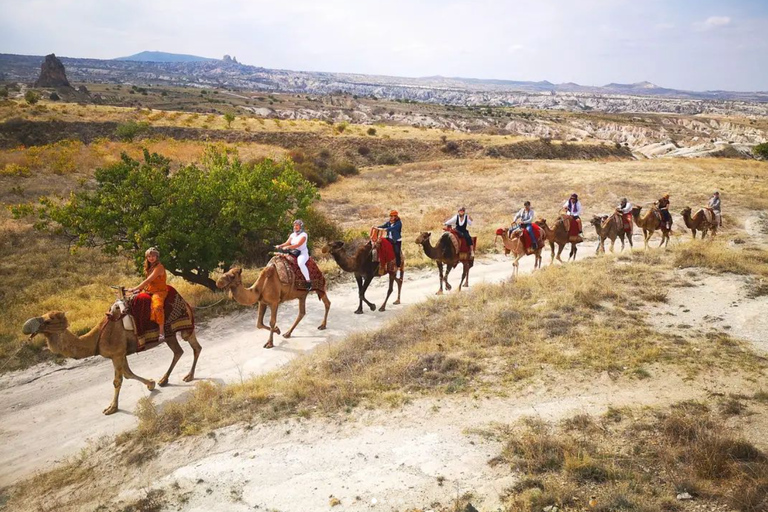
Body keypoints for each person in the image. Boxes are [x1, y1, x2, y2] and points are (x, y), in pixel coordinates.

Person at [127, 247, 168, 341]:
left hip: (159, 291)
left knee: (157, 306)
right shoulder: (149, 267)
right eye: (149, 256)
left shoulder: (159, 267)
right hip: (148, 290)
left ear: (157, 256)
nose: (151, 258)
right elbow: (148, 283)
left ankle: (161, 331)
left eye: (153, 256)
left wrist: (134, 288)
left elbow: (148, 280)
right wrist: (138, 290)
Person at [276, 219, 311, 290]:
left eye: (297, 225)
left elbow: (298, 245)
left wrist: (288, 247)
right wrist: (280, 245)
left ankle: (308, 282)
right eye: (294, 225)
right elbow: (286, 243)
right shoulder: (292, 235)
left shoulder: (304, 235)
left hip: (302, 253)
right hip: (293, 252)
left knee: (301, 263)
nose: (295, 227)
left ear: (301, 226)